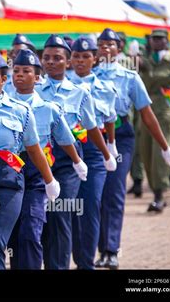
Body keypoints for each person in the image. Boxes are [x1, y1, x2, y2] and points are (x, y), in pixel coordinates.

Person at [0, 52, 60, 270]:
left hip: (8, 182)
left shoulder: (20, 111)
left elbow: (34, 149)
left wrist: (49, 180)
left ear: (3, 80)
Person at [93, 28, 170, 269]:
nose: (106, 47)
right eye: (102, 43)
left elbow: (147, 114)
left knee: (115, 192)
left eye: (112, 44)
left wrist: (164, 146)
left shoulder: (130, 77)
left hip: (121, 136)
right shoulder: (89, 76)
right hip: (93, 137)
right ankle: (97, 250)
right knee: (95, 196)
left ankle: (111, 250)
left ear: (120, 49)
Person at [36, 34, 116, 270]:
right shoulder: (34, 90)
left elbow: (91, 127)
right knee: (44, 217)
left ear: (67, 62)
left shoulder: (80, 93)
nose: (51, 62)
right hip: (38, 158)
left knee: (62, 212)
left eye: (57, 58)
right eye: (47, 58)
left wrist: (107, 153)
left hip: (68, 160)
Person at [8, 49, 84, 269]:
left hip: (37, 171)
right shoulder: (3, 105)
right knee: (14, 232)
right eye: (16, 70)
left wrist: (77, 162)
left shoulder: (49, 109)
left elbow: (64, 138)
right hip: (9, 171)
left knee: (32, 229)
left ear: (37, 77)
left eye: (26, 71)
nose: (20, 75)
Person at [66, 37, 119, 270]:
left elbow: (109, 120)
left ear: (94, 59)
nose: (80, 61)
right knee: (70, 206)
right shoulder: (61, 85)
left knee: (90, 205)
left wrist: (111, 147)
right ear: (71, 59)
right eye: (76, 56)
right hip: (68, 149)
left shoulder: (105, 89)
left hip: (95, 151)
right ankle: (74, 257)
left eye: (85, 56)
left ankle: (86, 263)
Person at [138, 29, 170, 212]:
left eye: (160, 39)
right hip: (147, 108)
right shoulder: (146, 61)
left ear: (167, 42)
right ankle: (155, 189)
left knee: (160, 151)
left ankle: (160, 193)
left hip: (167, 108)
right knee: (146, 152)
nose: (156, 42)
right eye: (154, 39)